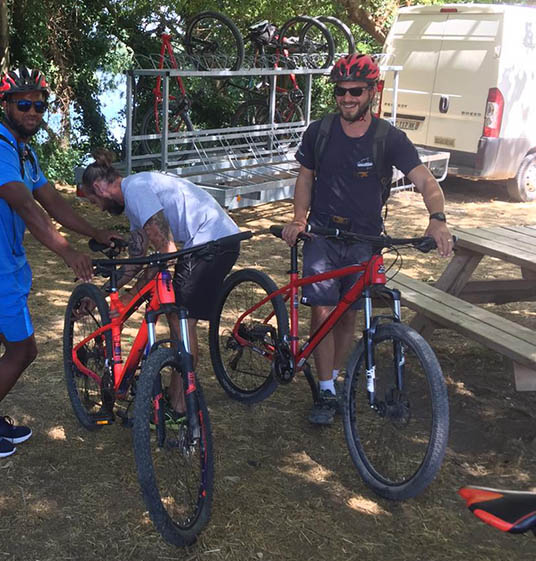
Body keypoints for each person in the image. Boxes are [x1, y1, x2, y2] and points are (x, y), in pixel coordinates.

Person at [0, 65, 120, 458]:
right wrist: (68, 252)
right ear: (6, 105)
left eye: (40, 106)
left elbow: (55, 203)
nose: (33, 111)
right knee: (23, 350)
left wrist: (94, 234)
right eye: (24, 103)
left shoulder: (24, 153)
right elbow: (28, 208)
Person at [282, 53, 454, 425]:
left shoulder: (388, 138)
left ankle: (337, 374)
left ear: (372, 92)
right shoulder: (320, 131)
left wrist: (437, 218)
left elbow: (425, 179)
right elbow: (305, 178)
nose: (347, 98)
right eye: (340, 91)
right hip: (323, 233)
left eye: (355, 91)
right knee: (322, 310)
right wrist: (299, 218)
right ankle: (325, 389)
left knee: (346, 315)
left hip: (365, 239)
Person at [79, 150, 244, 415]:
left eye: (93, 201)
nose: (98, 208)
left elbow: (166, 248)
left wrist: (142, 284)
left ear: (99, 187)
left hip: (208, 243)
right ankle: (176, 396)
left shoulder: (136, 191)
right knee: (177, 318)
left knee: (181, 323)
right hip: (218, 240)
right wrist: (104, 293)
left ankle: (179, 406)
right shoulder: (136, 200)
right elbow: (136, 259)